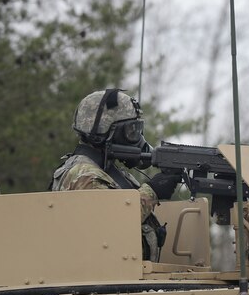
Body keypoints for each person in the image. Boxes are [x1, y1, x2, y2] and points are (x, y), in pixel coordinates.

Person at [51, 89, 181, 261]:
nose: (138, 140)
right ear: (105, 133)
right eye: (131, 132)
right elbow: (107, 229)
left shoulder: (107, 171)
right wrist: (152, 192)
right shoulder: (84, 175)